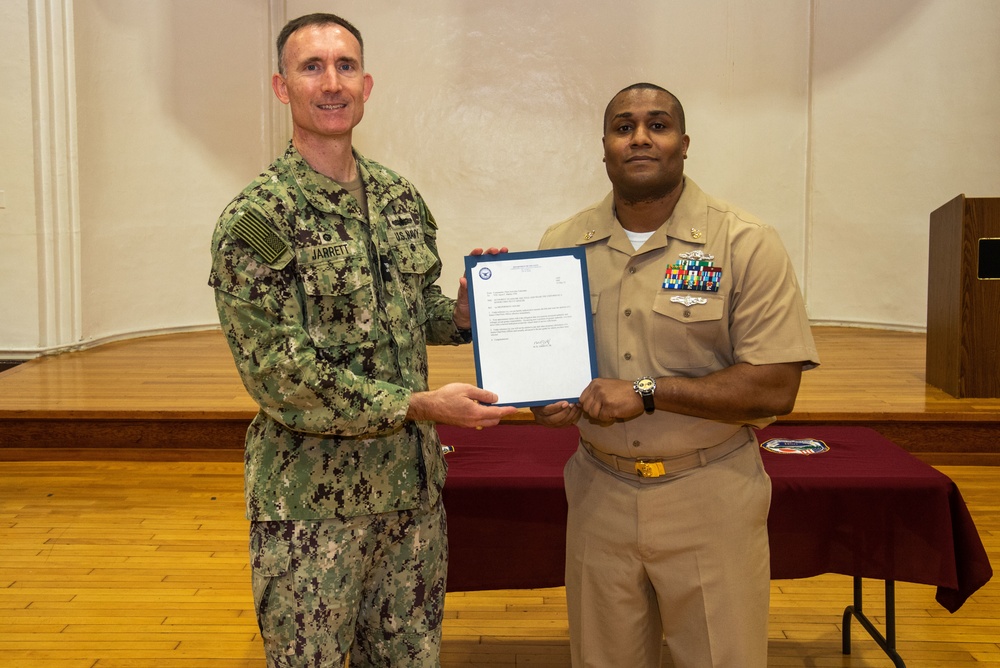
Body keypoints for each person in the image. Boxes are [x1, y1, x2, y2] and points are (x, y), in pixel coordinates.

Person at [208, 13, 516, 667]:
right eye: (311, 67)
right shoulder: (258, 221)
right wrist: (419, 405)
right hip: (310, 509)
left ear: (367, 85)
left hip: (409, 498)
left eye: (345, 66)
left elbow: (413, 311)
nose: (331, 82)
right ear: (280, 85)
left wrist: (460, 314)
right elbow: (281, 376)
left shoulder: (400, 198)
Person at [532, 83, 820, 667]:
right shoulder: (561, 245)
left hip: (709, 495)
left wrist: (647, 393)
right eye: (624, 126)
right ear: (605, 148)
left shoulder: (745, 242)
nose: (640, 137)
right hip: (599, 494)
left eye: (657, 125)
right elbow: (547, 372)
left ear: (684, 144)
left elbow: (776, 386)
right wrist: (546, 401)